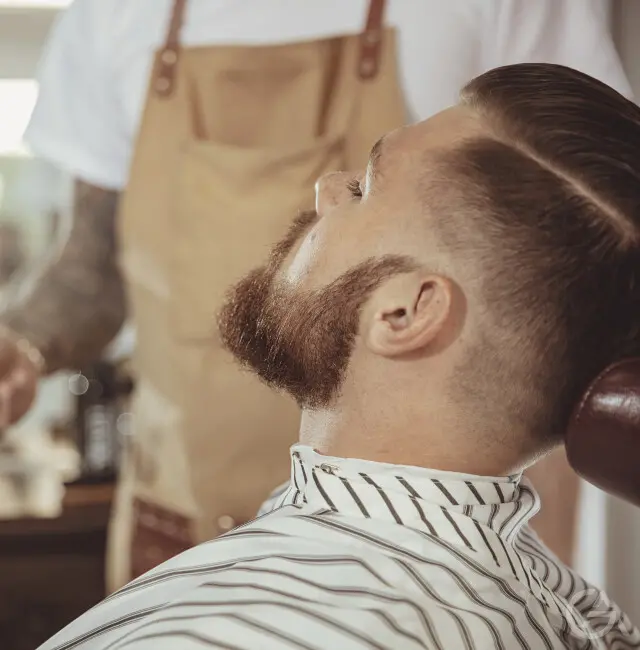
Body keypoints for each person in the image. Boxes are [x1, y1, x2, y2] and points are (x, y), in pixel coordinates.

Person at [0, 0, 630, 590]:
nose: (323, 189)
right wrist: (22, 346)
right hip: (177, 519)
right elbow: (92, 262)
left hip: (411, 555)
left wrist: (514, 588)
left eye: (363, 184)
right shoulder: (115, 13)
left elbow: (563, 288)